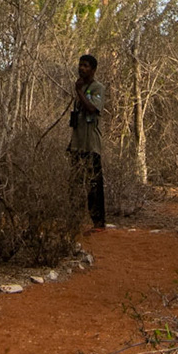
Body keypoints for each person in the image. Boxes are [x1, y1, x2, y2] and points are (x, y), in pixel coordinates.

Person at [67, 53, 107, 229]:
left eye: (85, 66)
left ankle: (98, 221)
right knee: (75, 183)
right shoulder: (81, 88)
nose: (81, 68)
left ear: (93, 69)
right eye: (80, 65)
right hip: (77, 143)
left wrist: (78, 91)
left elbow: (92, 108)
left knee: (94, 184)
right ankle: (74, 219)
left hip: (91, 145)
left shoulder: (97, 88)